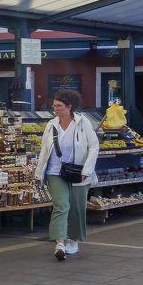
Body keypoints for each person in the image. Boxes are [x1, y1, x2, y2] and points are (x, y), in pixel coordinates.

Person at [34, 90, 98, 262]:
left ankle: (73, 240)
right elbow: (44, 150)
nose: (55, 108)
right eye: (54, 105)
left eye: (59, 106)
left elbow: (94, 146)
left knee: (76, 207)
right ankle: (60, 243)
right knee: (61, 205)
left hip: (78, 172)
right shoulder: (51, 124)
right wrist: (39, 173)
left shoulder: (83, 123)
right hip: (55, 172)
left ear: (69, 106)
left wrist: (87, 170)